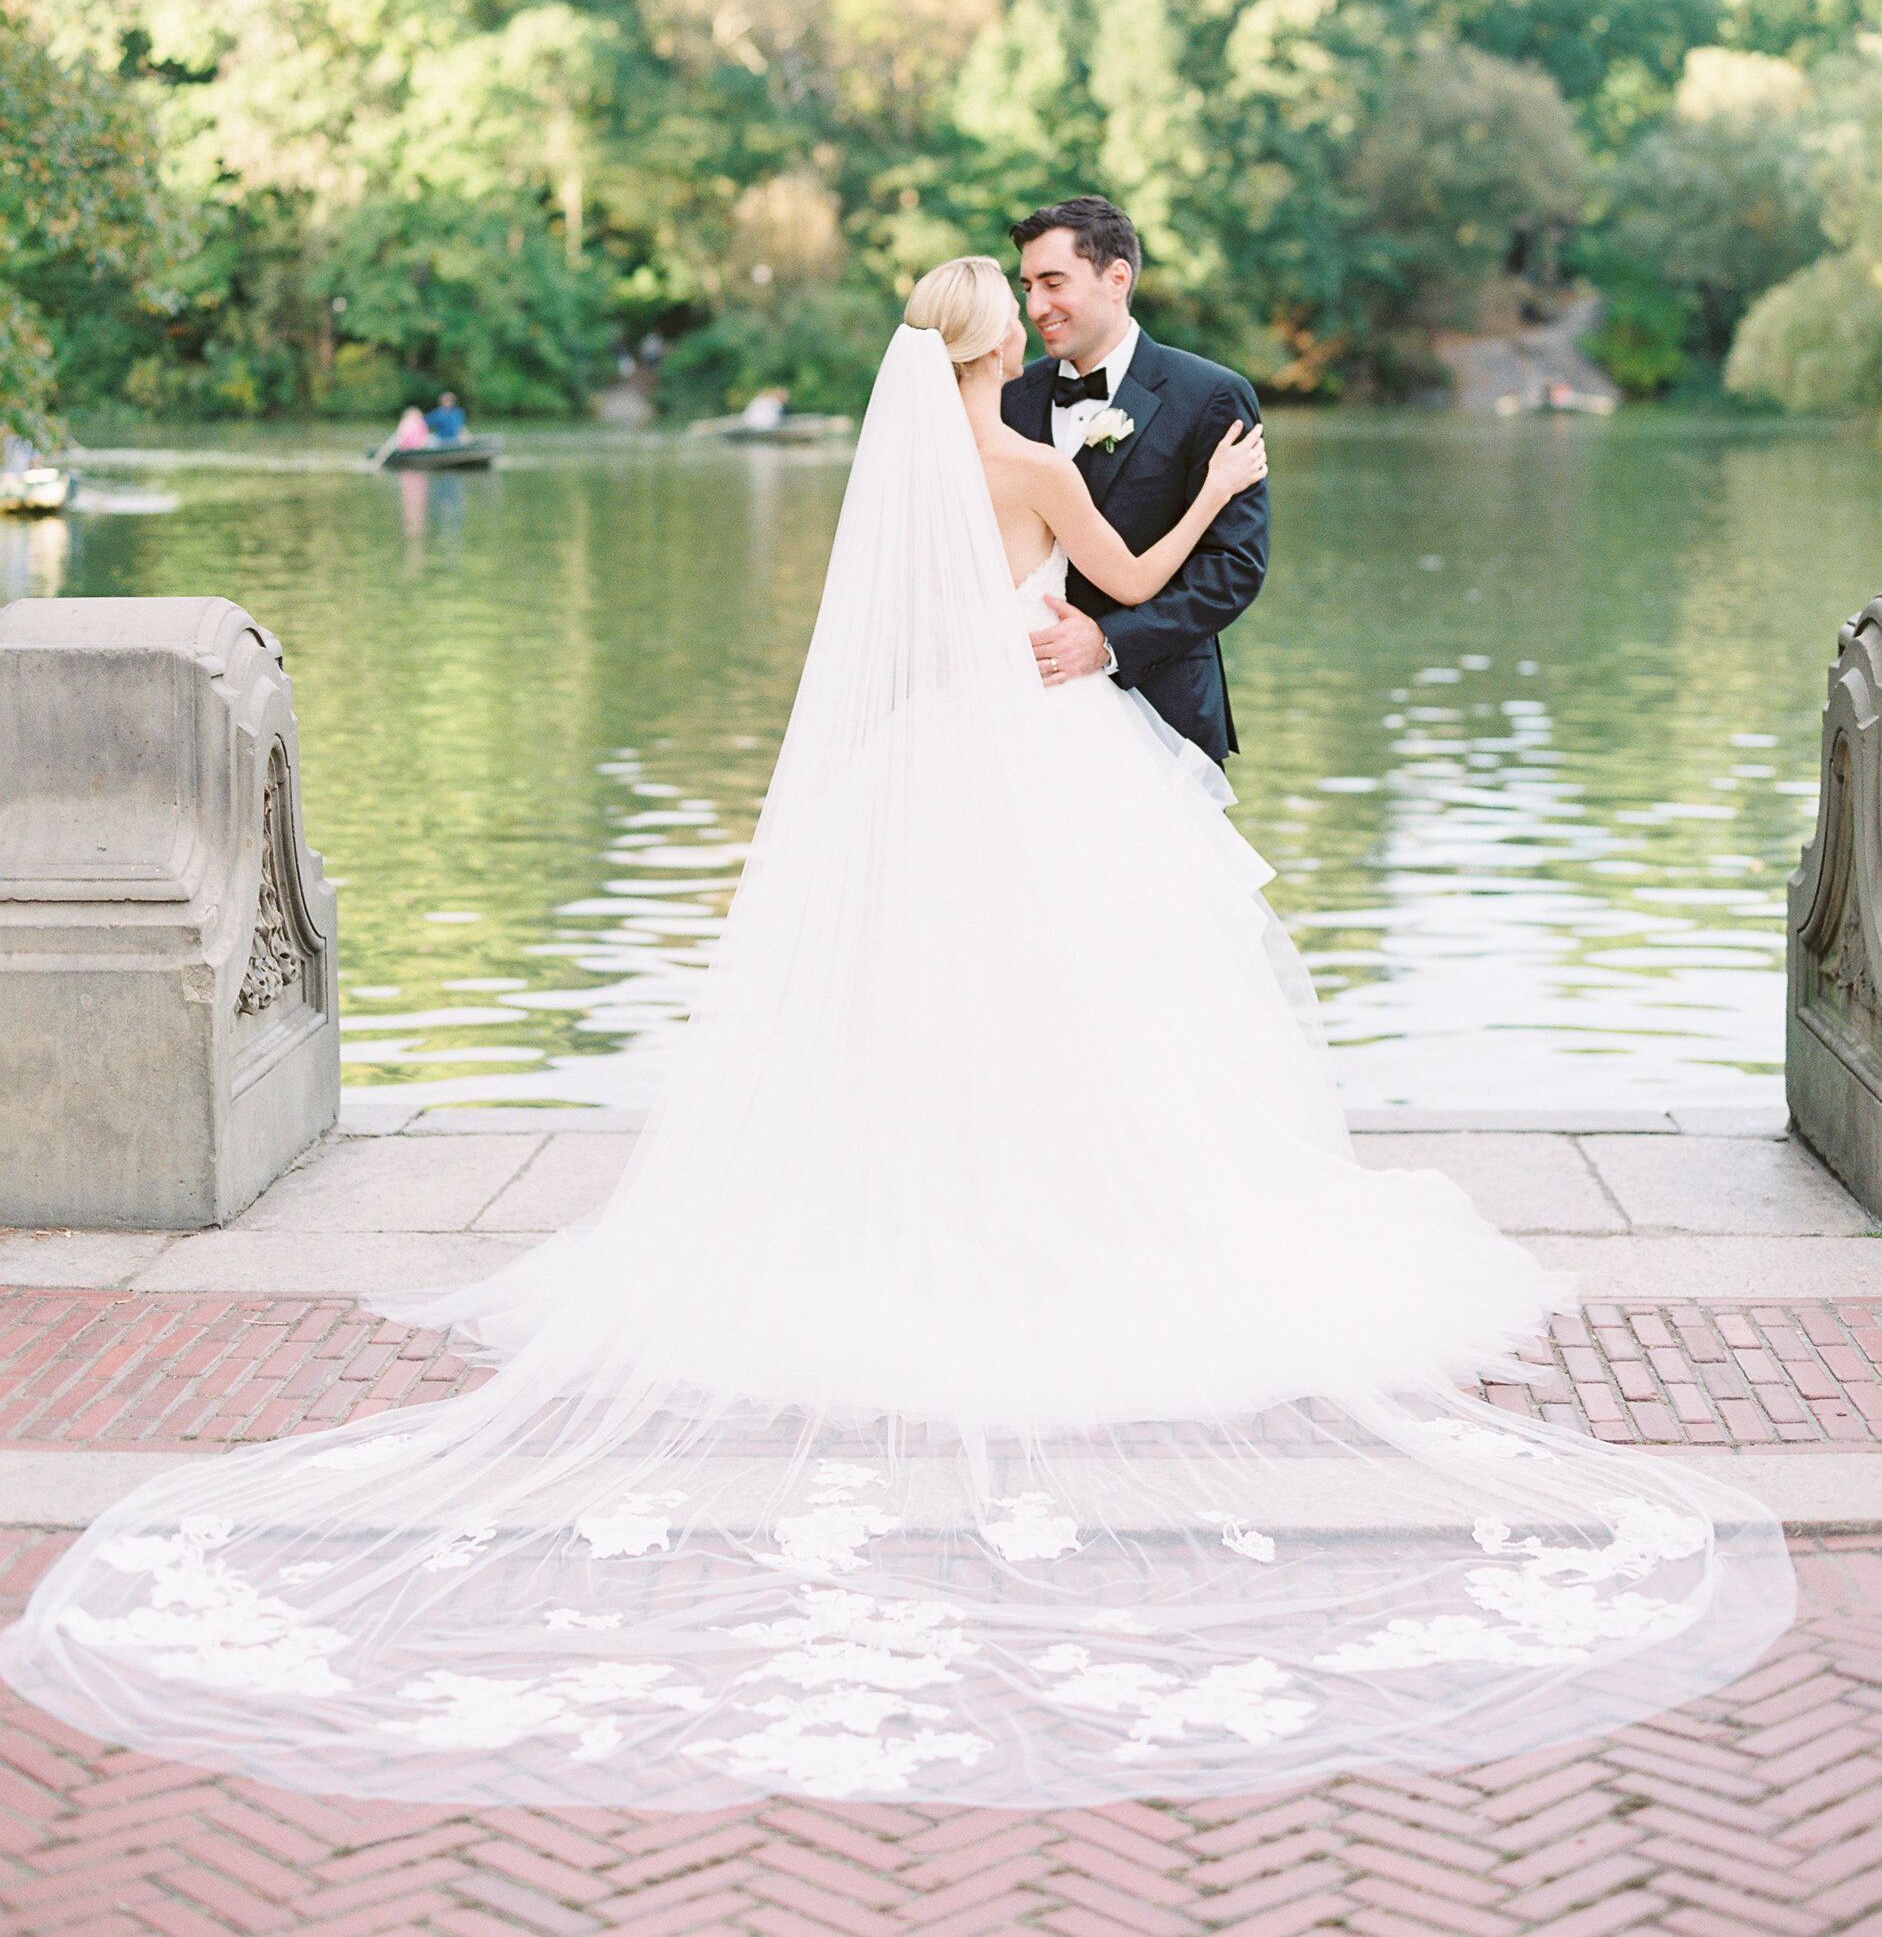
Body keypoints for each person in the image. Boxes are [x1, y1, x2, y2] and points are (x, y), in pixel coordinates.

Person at [0, 256, 1790, 1814]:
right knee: (1092, 1020)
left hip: (913, 776)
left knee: (916, 1018)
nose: (1026, 341)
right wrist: (1220, 478)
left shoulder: (900, 476)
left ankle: (909, 1209)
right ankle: (1063, 1225)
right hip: (1041, 773)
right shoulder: (1020, 456)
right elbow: (1127, 574)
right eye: (1014, 324)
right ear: (992, 347)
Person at [1002, 195, 1263, 765]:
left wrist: (1108, 642)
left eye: (1053, 282)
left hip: (1163, 712)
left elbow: (1233, 568)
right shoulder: (1007, 398)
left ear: (1116, 278)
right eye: (1027, 288)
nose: (1036, 306)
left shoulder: (1211, 397)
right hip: (1022, 714)